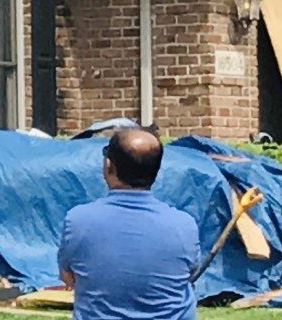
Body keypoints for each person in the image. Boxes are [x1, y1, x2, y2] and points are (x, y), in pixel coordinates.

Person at [58, 127, 199, 320]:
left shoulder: (78, 221)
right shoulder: (184, 225)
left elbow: (68, 277)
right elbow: (189, 272)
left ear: (109, 165)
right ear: (156, 170)